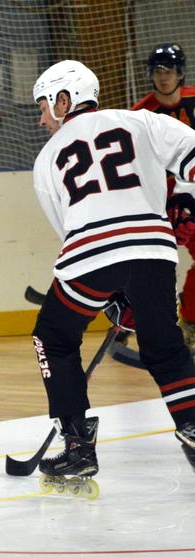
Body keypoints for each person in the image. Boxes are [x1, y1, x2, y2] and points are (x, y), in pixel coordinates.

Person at [30, 60, 195, 490]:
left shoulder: (47, 158)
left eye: (44, 106)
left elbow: (69, 233)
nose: (42, 119)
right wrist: (187, 203)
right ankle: (192, 425)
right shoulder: (141, 120)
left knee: (54, 336)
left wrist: (111, 295)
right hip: (154, 249)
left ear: (64, 100)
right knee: (164, 344)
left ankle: (78, 446)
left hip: (90, 256)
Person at [131, 43, 195, 345]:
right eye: (158, 71)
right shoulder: (139, 115)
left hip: (191, 197)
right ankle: (128, 321)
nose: (164, 77)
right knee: (148, 265)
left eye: (169, 71)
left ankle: (190, 323)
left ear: (180, 73)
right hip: (158, 203)